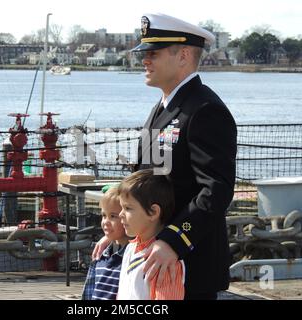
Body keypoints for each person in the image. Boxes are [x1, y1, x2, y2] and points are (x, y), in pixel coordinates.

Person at [94, 13, 237, 300]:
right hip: (153, 256)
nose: (144, 60)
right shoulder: (165, 107)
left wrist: (174, 239)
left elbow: (216, 190)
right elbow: (143, 182)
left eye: (153, 53)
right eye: (144, 53)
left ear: (183, 55)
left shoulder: (205, 109)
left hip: (187, 263)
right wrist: (120, 224)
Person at [116, 169, 185, 300]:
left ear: (153, 212)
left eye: (128, 208)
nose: (120, 214)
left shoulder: (166, 262)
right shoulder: (130, 247)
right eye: (121, 207)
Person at [82, 186, 130, 300]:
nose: (105, 222)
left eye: (113, 216)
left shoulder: (132, 259)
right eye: (104, 215)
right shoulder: (101, 257)